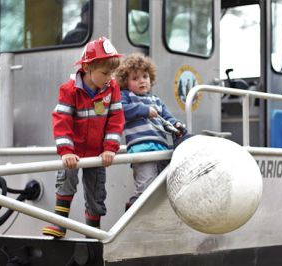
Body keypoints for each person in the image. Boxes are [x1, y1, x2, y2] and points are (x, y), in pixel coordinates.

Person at [42, 37, 124, 238]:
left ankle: (92, 233)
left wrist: (110, 148)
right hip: (74, 152)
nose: (109, 78)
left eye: (111, 73)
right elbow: (62, 121)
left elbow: (116, 119)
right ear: (87, 68)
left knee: (97, 191)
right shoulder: (69, 90)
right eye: (105, 73)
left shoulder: (112, 89)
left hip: (98, 153)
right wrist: (66, 152)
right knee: (67, 179)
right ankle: (59, 224)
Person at [115, 53, 189, 210]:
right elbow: (121, 110)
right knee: (146, 187)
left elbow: (167, 117)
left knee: (162, 188)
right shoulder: (126, 96)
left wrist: (176, 125)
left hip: (161, 151)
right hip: (142, 152)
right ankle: (132, 211)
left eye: (145, 76)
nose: (142, 81)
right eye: (135, 78)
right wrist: (144, 110)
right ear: (125, 83)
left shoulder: (156, 100)